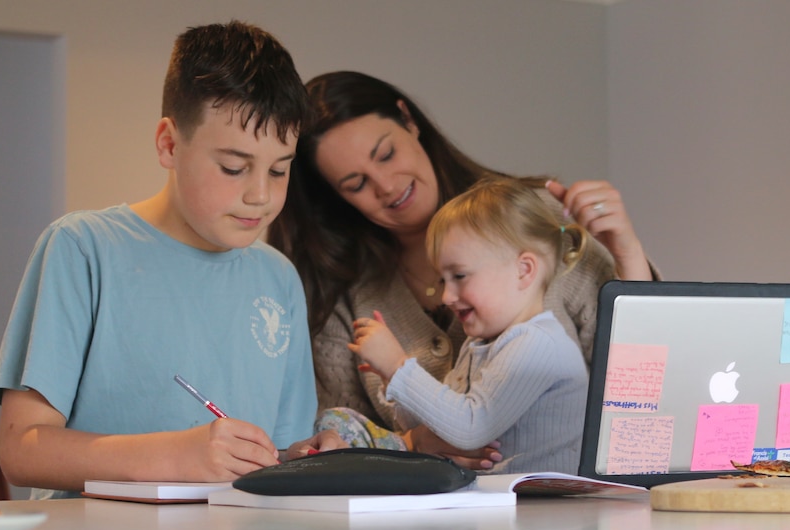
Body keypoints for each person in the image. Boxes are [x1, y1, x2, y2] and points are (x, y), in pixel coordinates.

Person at [0, 21, 345, 499]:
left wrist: (302, 457)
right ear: (169, 144)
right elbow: (22, 450)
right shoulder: (83, 248)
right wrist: (178, 456)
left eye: (279, 170)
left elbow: (274, 451)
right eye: (234, 167)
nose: (260, 195)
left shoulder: (277, 277)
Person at [267, 70, 659, 469]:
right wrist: (413, 439)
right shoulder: (340, 294)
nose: (386, 185)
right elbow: (349, 437)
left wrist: (626, 251)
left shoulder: (532, 225)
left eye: (386, 155)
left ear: (408, 120)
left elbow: (644, 382)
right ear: (336, 199)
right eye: (355, 184)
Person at [340, 177, 590, 474]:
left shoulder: (537, 344)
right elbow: (439, 426)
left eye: (459, 276)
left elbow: (471, 429)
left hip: (548, 513)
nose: (446, 296)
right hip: (506, 506)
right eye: (442, 280)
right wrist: (391, 376)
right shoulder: (480, 344)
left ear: (523, 271)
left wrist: (398, 367)